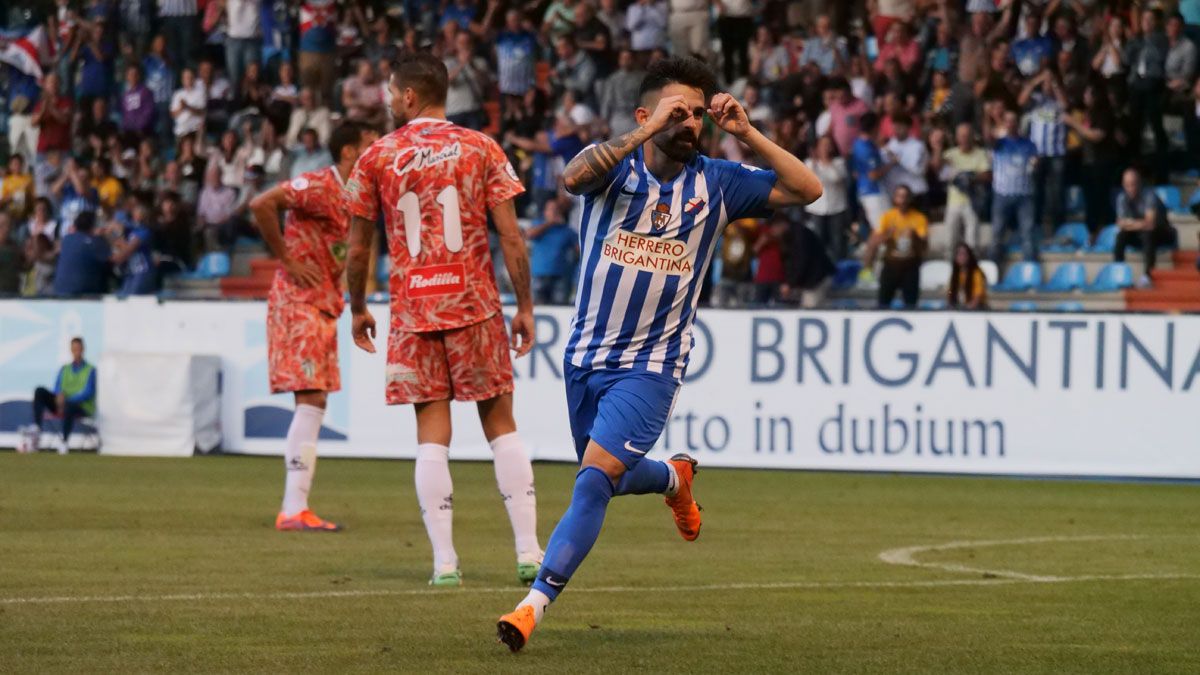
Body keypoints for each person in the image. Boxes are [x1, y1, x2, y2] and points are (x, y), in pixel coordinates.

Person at [494, 56, 822, 652]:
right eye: (677, 111)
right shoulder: (614, 172)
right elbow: (570, 177)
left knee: (593, 482)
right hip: (586, 356)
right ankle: (674, 477)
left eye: (697, 113)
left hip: (654, 365)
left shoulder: (716, 181)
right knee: (608, 478)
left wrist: (746, 131)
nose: (690, 121)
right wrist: (647, 132)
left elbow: (809, 190)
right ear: (644, 116)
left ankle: (532, 606)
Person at [345, 52, 543, 587]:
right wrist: (524, 305)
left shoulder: (376, 157)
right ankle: (529, 553)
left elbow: (359, 247)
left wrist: (358, 306)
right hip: (474, 304)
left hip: (414, 311)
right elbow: (509, 235)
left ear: (409, 96)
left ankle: (445, 565)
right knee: (501, 426)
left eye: (390, 92)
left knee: (432, 436)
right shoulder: (481, 147)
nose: (387, 100)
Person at [247, 121, 374, 533]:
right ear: (350, 152)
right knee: (312, 397)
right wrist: (286, 258)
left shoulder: (357, 194)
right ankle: (292, 508)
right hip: (298, 301)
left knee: (314, 401)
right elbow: (261, 204)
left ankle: (296, 505)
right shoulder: (319, 185)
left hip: (323, 305)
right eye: (370, 145)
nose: (378, 151)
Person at [28, 337, 97, 454]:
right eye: (74, 349)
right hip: (62, 404)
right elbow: (57, 387)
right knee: (39, 391)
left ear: (83, 349)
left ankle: (64, 442)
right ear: (71, 350)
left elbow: (88, 392)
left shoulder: (91, 370)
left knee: (70, 406)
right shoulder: (64, 369)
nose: (76, 352)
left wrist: (67, 399)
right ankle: (37, 429)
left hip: (81, 407)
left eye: (78, 349)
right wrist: (59, 395)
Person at [865, 185, 927, 309]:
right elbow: (875, 241)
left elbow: (924, 245)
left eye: (905, 197)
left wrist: (914, 236)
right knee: (883, 303)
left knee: (910, 305)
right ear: (895, 199)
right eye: (900, 196)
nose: (902, 200)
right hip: (891, 264)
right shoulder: (887, 217)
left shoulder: (919, 218)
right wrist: (888, 234)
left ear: (910, 199)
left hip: (910, 265)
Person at [990, 109, 1039, 266]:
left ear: (1017, 124)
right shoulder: (999, 143)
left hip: (1024, 194)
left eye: (1013, 120)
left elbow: (1035, 161)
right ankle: (992, 271)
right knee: (997, 233)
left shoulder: (1029, 144)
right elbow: (987, 137)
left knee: (1028, 233)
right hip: (1002, 193)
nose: (1011, 124)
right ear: (1004, 124)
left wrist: (1036, 163)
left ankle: (1029, 270)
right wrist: (988, 116)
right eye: (1008, 121)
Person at [935, 122, 990, 254]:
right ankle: (949, 268)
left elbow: (987, 175)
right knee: (950, 241)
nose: (964, 139)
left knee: (972, 242)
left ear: (972, 137)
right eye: (962, 136)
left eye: (967, 135)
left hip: (973, 203)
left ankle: (972, 269)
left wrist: (968, 177)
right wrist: (937, 147)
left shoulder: (980, 153)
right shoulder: (950, 154)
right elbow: (936, 167)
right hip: (953, 203)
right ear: (957, 138)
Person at [1114, 168, 1177, 285]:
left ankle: (1148, 276)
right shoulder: (1121, 198)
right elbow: (1120, 224)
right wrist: (1138, 224)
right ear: (1123, 185)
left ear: (1139, 183)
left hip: (1162, 232)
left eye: (1133, 184)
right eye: (1127, 185)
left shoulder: (1149, 195)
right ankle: (1118, 272)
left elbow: (1150, 223)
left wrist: (1130, 223)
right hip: (1141, 232)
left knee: (1148, 235)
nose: (1130, 188)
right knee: (1120, 236)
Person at [526, 199, 577, 305]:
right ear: (545, 212)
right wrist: (549, 223)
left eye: (556, 209)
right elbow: (529, 235)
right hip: (539, 275)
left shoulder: (567, 230)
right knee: (538, 308)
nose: (553, 212)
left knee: (560, 307)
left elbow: (579, 251)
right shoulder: (538, 224)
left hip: (560, 277)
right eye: (551, 209)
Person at [54, 211, 111, 296]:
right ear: (93, 226)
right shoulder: (95, 241)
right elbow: (116, 259)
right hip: (85, 295)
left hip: (60, 292)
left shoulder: (67, 239)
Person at [947, 242, 988, 310]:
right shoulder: (955, 274)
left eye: (964, 254)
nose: (961, 257)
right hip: (959, 306)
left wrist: (968, 308)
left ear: (969, 256)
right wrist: (950, 302)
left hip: (976, 308)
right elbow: (950, 292)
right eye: (958, 254)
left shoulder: (976, 273)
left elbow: (978, 295)